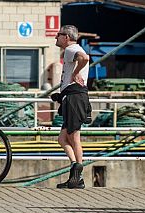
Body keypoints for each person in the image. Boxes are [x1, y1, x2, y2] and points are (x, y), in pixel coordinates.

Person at [54, 25, 91, 189]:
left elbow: (84, 58)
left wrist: (76, 73)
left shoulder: (71, 49)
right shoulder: (72, 49)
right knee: (62, 139)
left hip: (75, 97)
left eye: (58, 35)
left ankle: (78, 172)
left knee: (74, 136)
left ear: (66, 37)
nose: (56, 38)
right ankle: (75, 173)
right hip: (71, 96)